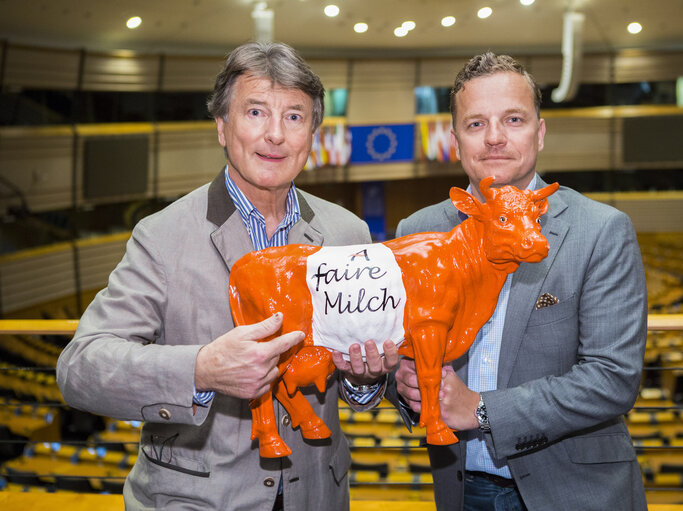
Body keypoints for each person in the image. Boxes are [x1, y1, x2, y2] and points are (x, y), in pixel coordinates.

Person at [56, 42, 398, 511]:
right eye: (256, 112)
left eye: (295, 117)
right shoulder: (161, 235)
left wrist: (366, 379)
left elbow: (358, 385)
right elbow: (80, 368)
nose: (275, 135)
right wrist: (201, 370)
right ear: (222, 126)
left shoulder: (348, 233)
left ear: (312, 134)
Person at [388, 52, 648, 511]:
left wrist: (481, 409)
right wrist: (404, 382)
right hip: (461, 488)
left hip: (573, 493)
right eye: (475, 124)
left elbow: (612, 377)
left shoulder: (601, 230)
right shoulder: (417, 232)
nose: (494, 138)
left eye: (513, 119)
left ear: (540, 132)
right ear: (455, 140)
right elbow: (400, 348)